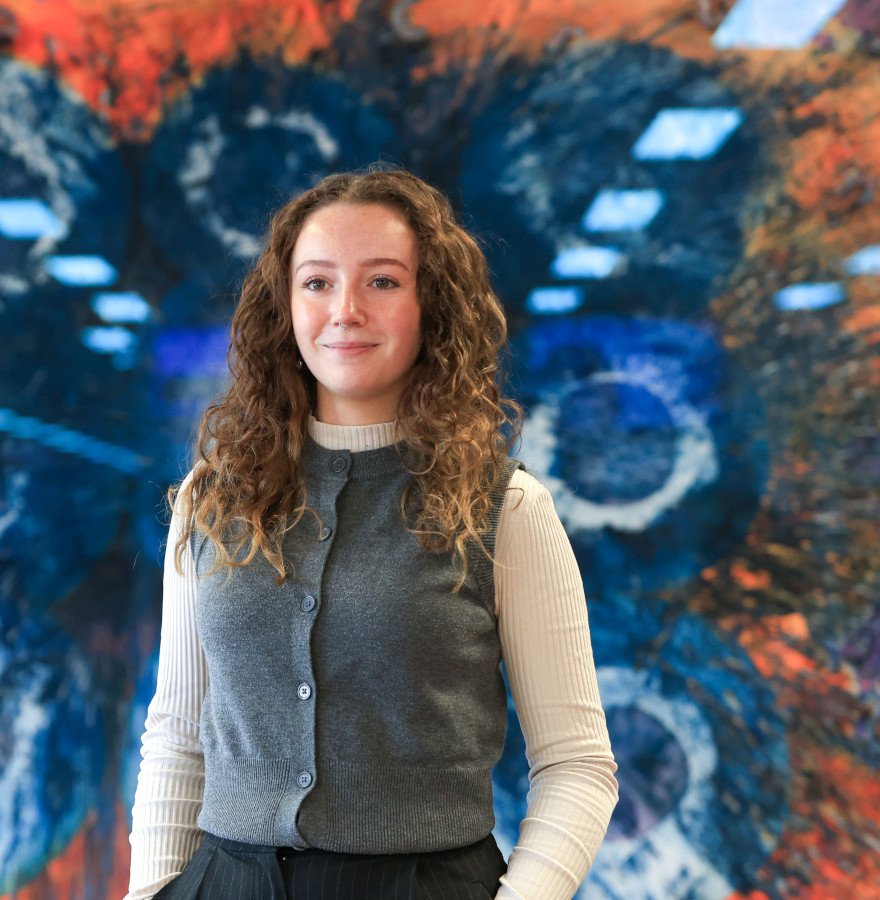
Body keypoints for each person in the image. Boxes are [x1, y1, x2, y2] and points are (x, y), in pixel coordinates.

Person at [125, 166, 618, 899]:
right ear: (285, 306)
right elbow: (177, 733)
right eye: (317, 282)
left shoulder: (506, 508)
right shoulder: (212, 498)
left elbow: (577, 765)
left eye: (382, 282)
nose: (345, 310)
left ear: (431, 306)